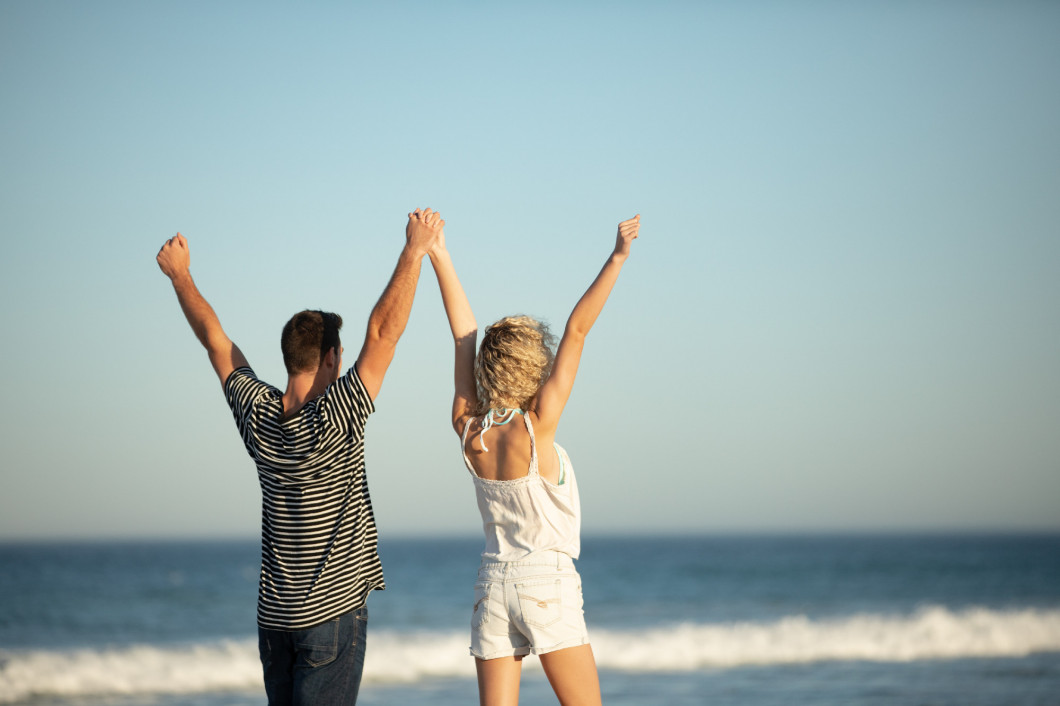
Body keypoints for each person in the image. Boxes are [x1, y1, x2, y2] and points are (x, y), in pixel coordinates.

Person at [155, 208, 445, 705]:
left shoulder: (257, 413)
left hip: (275, 624)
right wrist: (414, 250)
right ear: (331, 358)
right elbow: (383, 335)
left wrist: (181, 276)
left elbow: (215, 341)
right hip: (329, 620)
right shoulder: (337, 416)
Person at [428, 214, 641, 706]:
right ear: (534, 368)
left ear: (487, 368)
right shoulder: (537, 425)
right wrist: (616, 258)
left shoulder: (468, 431)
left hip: (492, 586)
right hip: (547, 582)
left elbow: (463, 335)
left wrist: (439, 253)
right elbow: (578, 330)